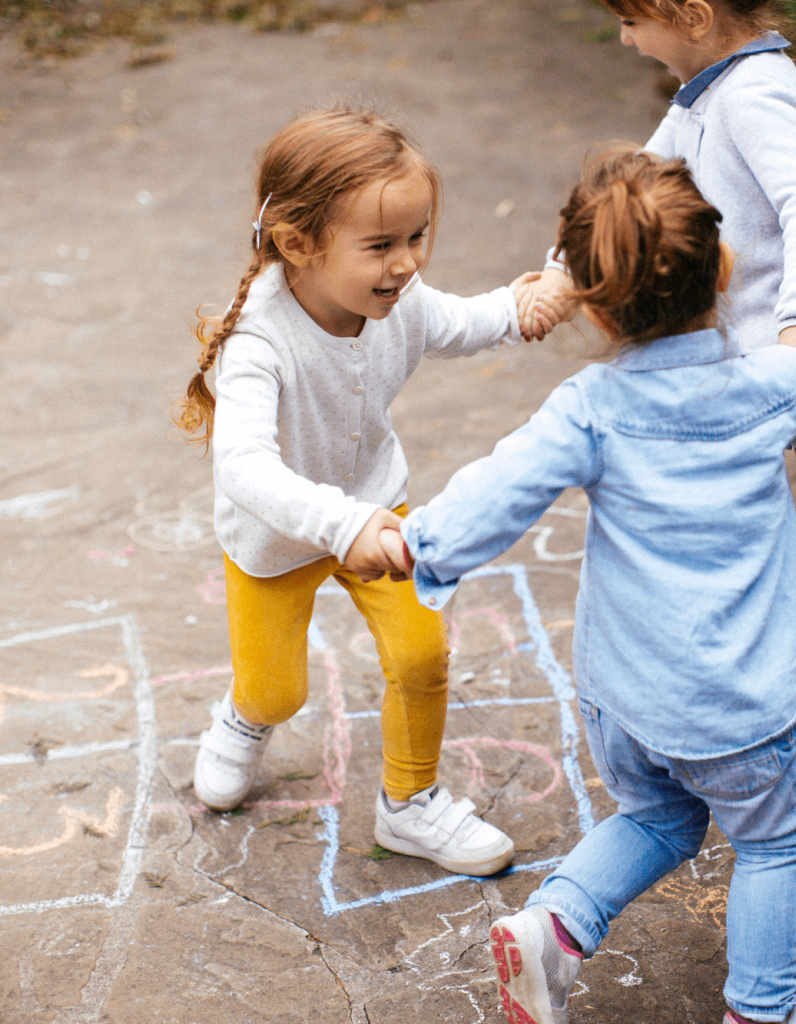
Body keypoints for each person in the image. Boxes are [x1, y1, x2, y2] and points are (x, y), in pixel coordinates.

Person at [398, 150, 796, 1024]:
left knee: (657, 816)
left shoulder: (592, 407)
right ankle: (763, 1013)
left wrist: (422, 543)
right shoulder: (769, 387)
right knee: (772, 839)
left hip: (626, 694)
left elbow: (500, 489)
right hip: (738, 701)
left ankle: (555, 928)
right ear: (724, 267)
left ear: (592, 304)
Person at [518, 0, 796, 721]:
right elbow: (633, 187)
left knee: (728, 516)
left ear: (693, 16)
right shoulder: (713, 90)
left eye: (633, 21)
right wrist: (558, 271)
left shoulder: (754, 97)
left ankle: (730, 689)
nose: (623, 37)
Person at [173, 105, 545, 876]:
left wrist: (523, 306)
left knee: (421, 655)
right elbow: (243, 466)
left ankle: (410, 805)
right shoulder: (258, 344)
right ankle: (245, 719)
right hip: (277, 539)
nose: (406, 264)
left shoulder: (399, 301)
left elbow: (466, 321)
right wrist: (343, 527)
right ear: (297, 243)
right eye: (380, 245)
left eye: (415, 237)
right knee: (278, 692)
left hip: (379, 507)